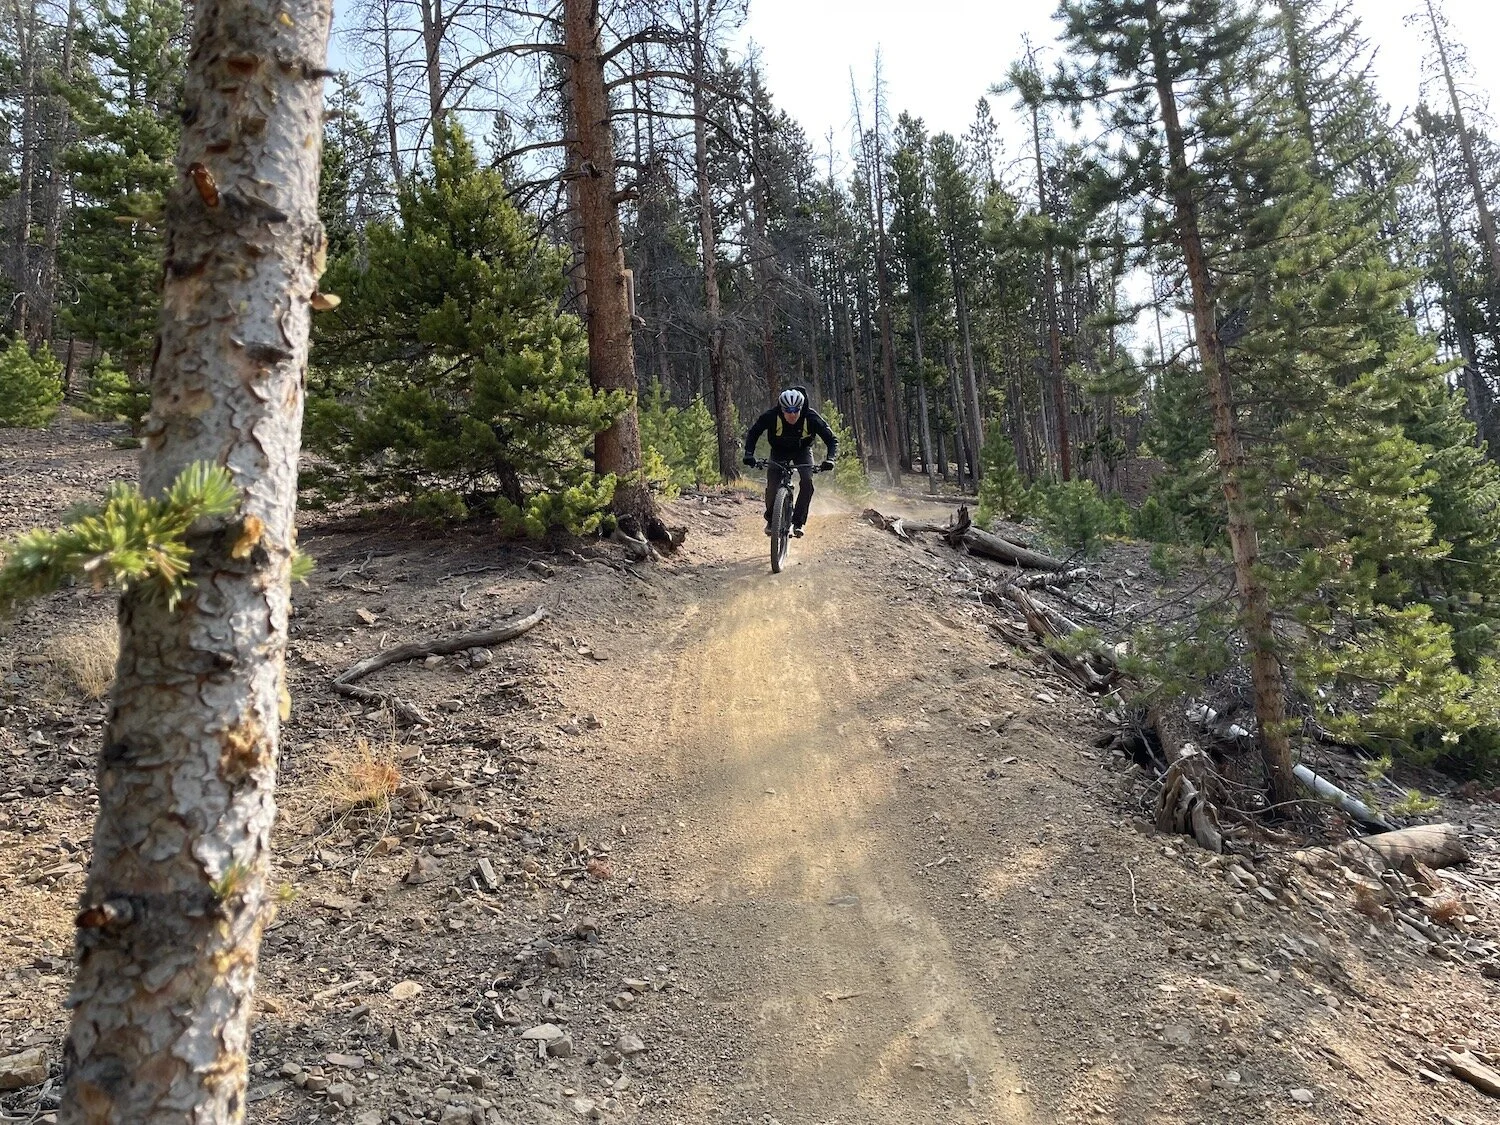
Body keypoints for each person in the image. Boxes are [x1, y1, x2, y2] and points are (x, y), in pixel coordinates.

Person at [743, 387, 837, 537]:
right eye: (788, 410)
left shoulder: (811, 417)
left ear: (801, 408)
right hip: (779, 451)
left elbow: (832, 440)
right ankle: (771, 520)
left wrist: (830, 459)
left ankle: (798, 522)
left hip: (803, 451)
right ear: (782, 409)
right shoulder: (772, 416)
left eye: (796, 410)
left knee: (807, 481)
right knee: (772, 485)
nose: (792, 414)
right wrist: (749, 454)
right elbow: (754, 433)